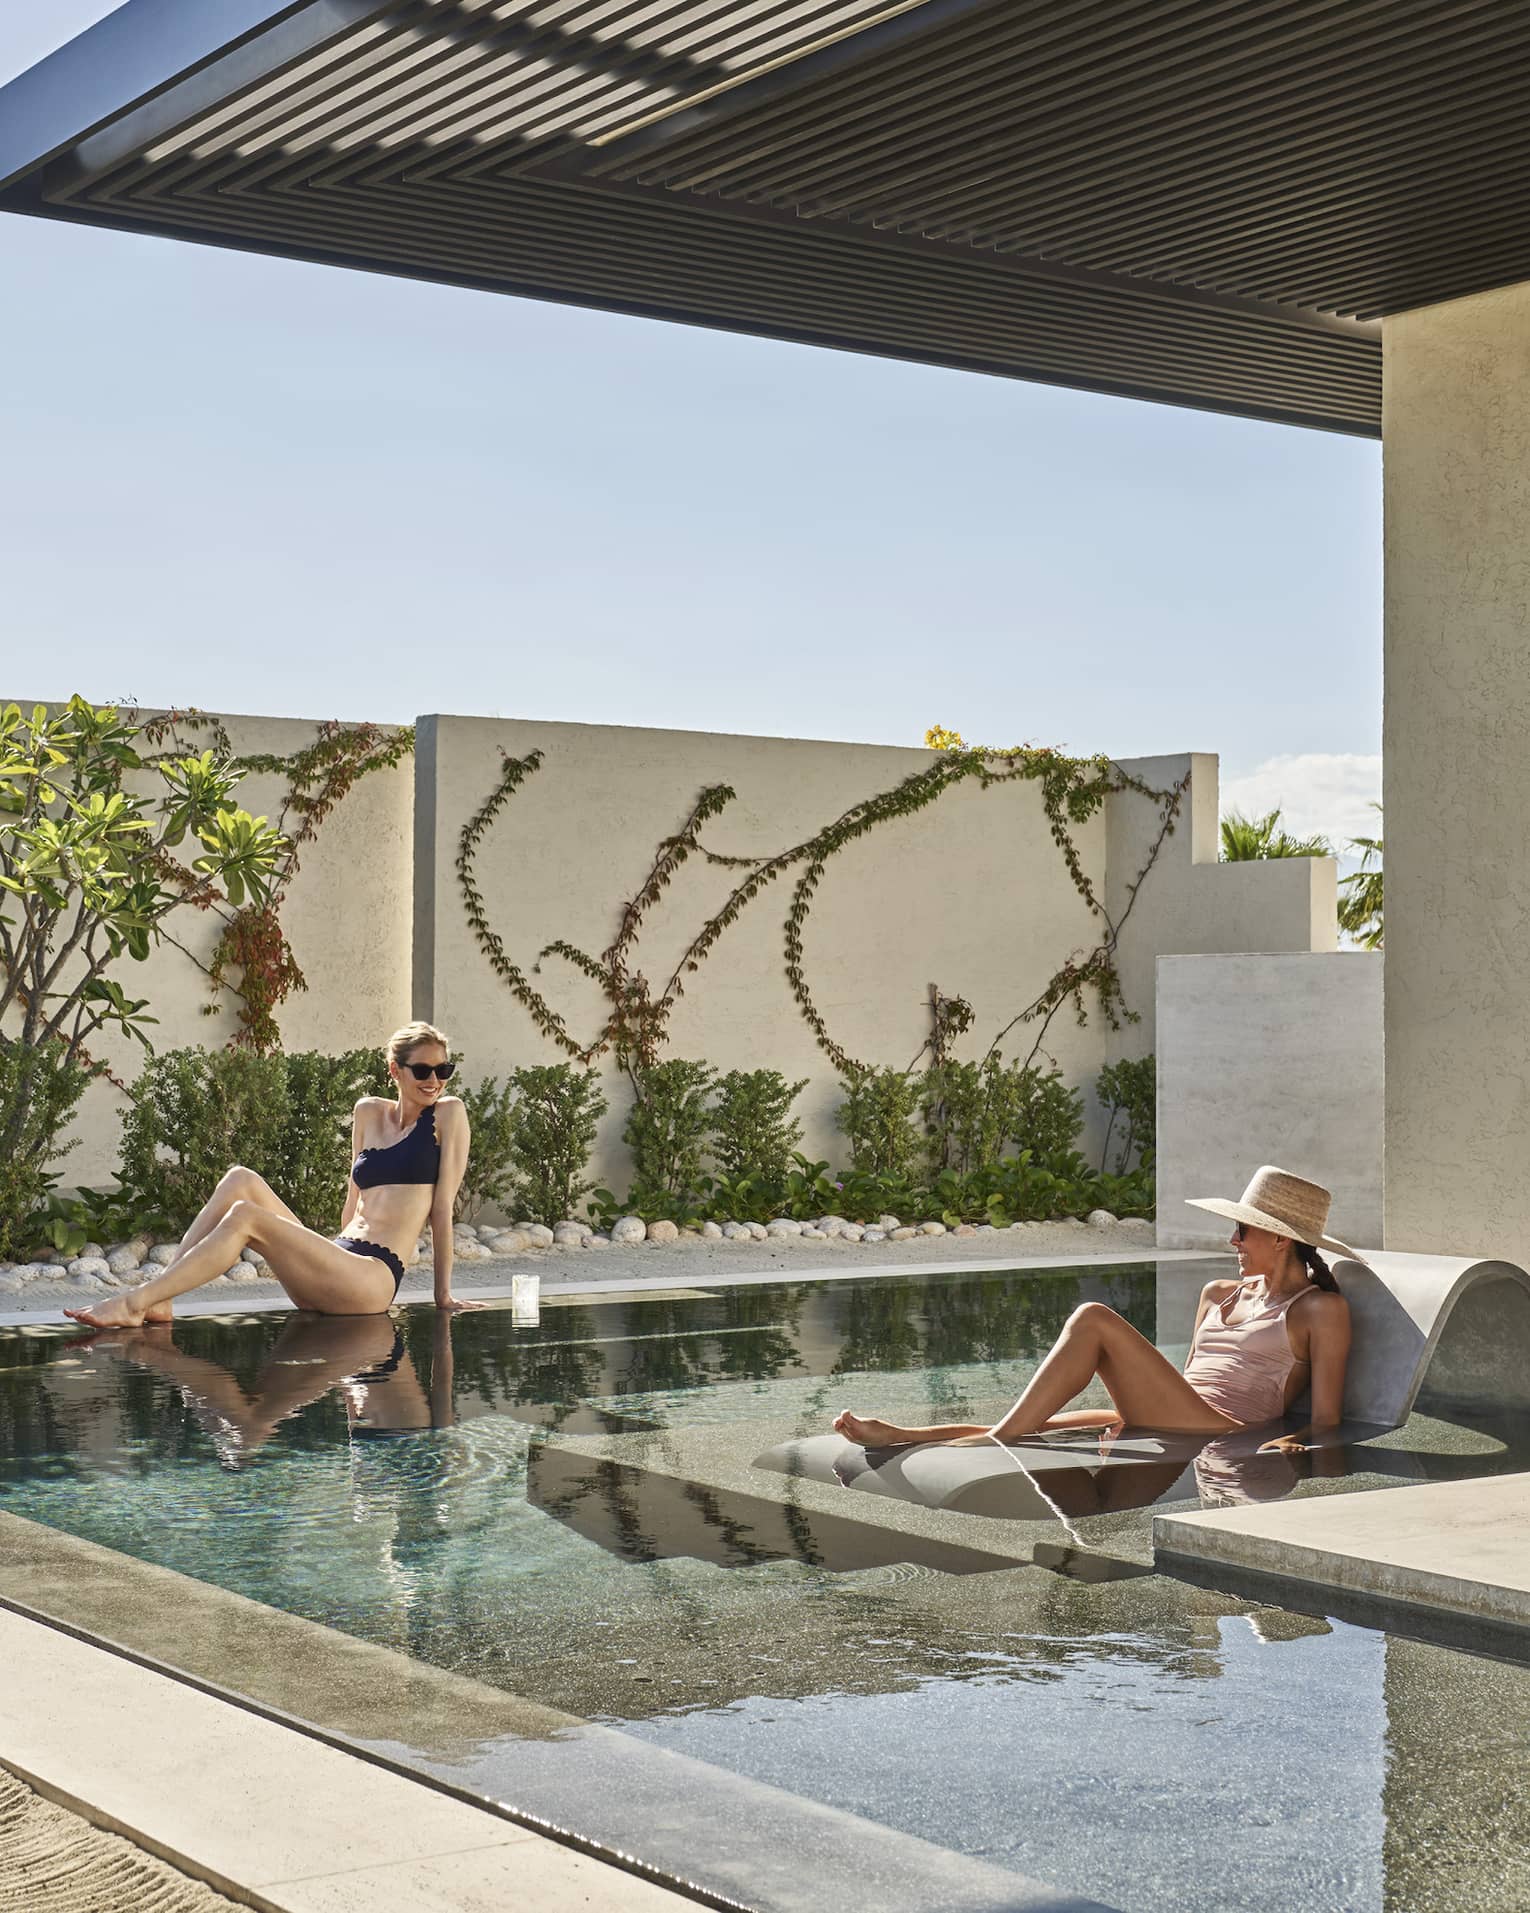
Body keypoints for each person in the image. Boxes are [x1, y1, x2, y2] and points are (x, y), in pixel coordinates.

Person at [832, 1166, 1354, 1457]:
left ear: (1280, 1239)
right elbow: (1186, 1380)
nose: (1232, 1240)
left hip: (1222, 1426)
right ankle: (902, 1436)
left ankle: (993, 1445)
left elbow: (1327, 1419)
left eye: (1242, 1230)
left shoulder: (1320, 1310)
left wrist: (1293, 1440)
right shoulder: (1218, 1293)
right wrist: (1142, 1409)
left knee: (1093, 1318)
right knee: (1026, 1424)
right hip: (1180, 1411)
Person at [64, 1021, 484, 1327]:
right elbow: (352, 1203)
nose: (434, 1080)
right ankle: (161, 1300)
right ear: (395, 1070)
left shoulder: (449, 1114)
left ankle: (133, 1303)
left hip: (373, 1279)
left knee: (246, 1216)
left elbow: (441, 1210)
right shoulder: (368, 1112)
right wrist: (327, 1257)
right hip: (341, 1261)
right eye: (423, 1071)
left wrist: (443, 1295)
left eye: (443, 1071)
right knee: (240, 1179)